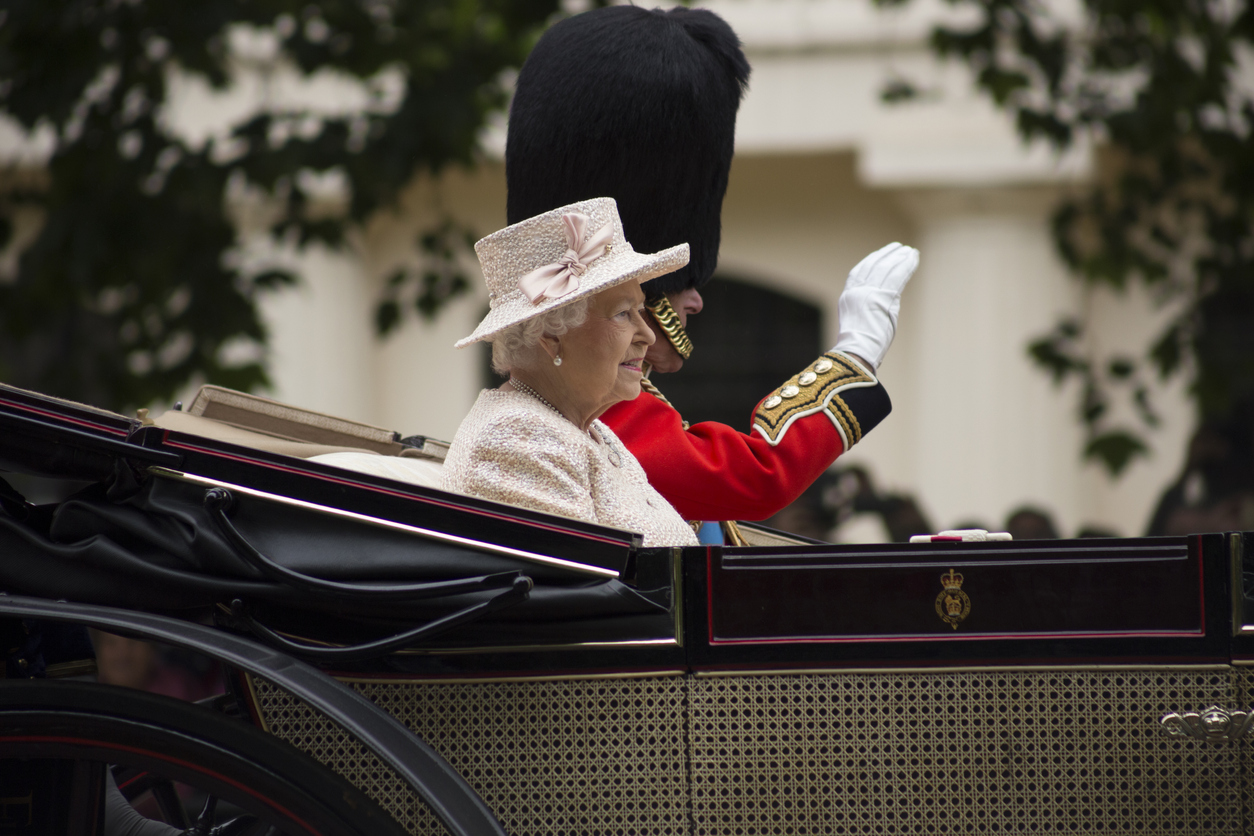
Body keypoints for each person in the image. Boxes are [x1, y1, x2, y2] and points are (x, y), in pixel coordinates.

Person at [506, 6, 917, 533]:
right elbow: (755, 476)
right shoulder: (595, 411)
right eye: (678, 280)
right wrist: (852, 356)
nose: (696, 299)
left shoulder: (604, 400)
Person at [441, 198, 699, 547]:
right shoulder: (520, 439)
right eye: (623, 314)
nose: (648, 335)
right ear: (551, 336)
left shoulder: (588, 430)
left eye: (641, 309)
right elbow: (590, 595)